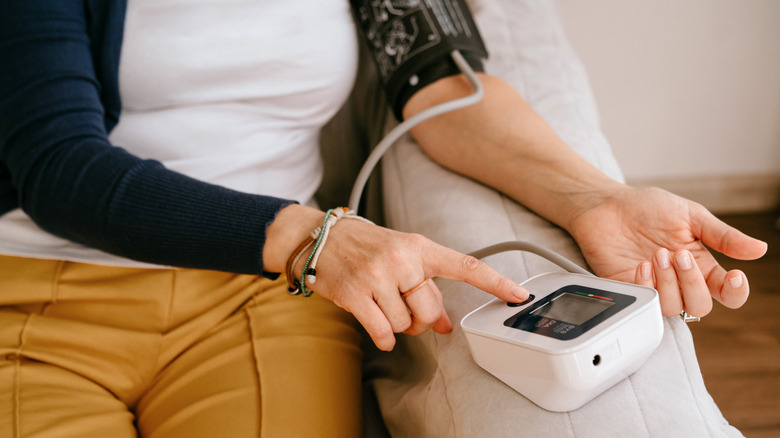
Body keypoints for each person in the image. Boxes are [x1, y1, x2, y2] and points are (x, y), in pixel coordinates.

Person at [0, 1, 767, 437]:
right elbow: (57, 163)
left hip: (264, 302)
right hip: (43, 297)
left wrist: (593, 198)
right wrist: (315, 238)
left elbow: (444, 89)